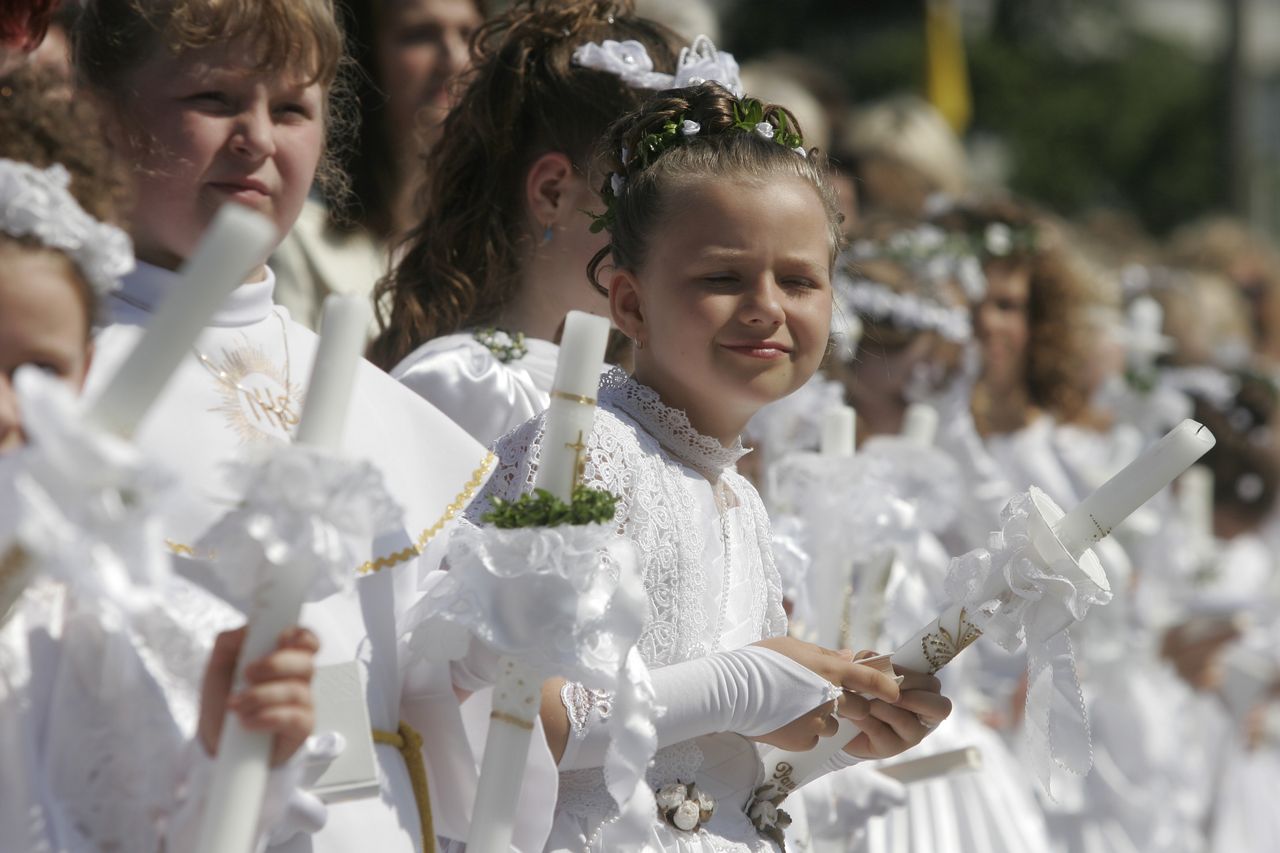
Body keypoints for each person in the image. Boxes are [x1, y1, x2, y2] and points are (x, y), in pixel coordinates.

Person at [70, 1, 534, 850]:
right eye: (213, 99)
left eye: (291, 109)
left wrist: (504, 647)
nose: (256, 138)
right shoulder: (61, 393)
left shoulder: (372, 400)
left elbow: (435, 716)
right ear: (101, 118)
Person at [467, 83, 952, 851]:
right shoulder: (588, 451)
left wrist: (838, 734)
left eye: (798, 280)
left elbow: (711, 763)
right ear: (629, 305)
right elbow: (509, 713)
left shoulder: (738, 499)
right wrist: (743, 682)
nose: (766, 306)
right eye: (723, 278)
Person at [0, 74, 319, 851]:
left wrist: (227, 753)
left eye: (37, 373)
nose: (8, 409)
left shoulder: (106, 627)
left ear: (85, 375)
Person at [370, 0, 682, 447]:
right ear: (553, 192)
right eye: (651, 199)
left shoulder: (632, 387)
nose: (687, 236)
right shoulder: (467, 387)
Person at [271, 0, 486, 330]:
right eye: (420, 35)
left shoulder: (502, 233)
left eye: (469, 34)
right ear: (364, 57)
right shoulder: (296, 235)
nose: (455, 60)